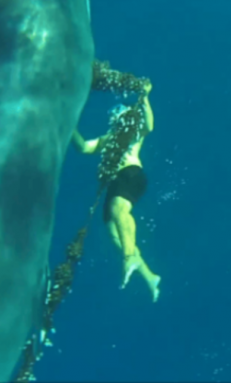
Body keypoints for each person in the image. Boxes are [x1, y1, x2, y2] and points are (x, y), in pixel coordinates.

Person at [72, 83, 161, 302]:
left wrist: (146, 97)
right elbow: (83, 147)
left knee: (119, 210)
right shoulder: (107, 140)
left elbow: (149, 126)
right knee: (114, 230)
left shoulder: (134, 133)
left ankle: (129, 257)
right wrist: (69, 126)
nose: (118, 118)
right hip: (116, 184)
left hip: (131, 174)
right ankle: (150, 277)